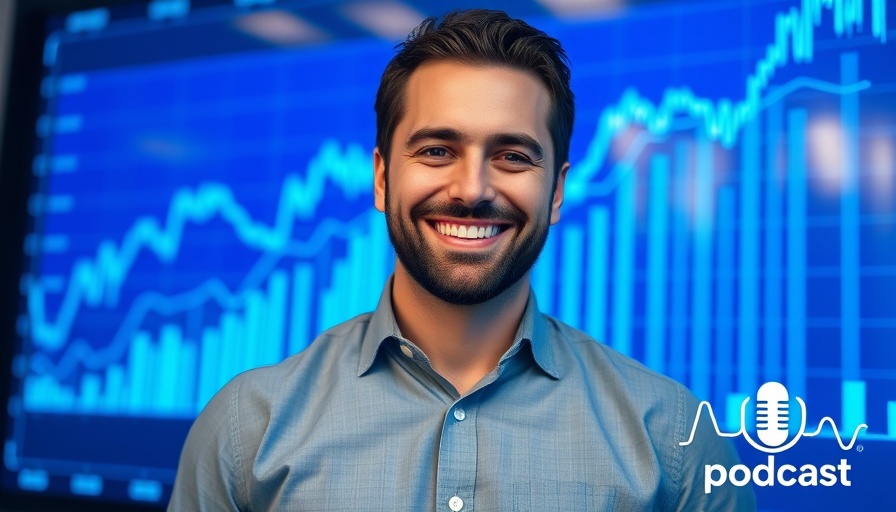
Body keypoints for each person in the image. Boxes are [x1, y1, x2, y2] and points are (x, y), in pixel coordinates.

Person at [169, 9, 755, 511]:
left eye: (513, 156)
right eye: (436, 150)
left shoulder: (675, 442)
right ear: (381, 178)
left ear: (556, 192)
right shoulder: (244, 432)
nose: (472, 189)